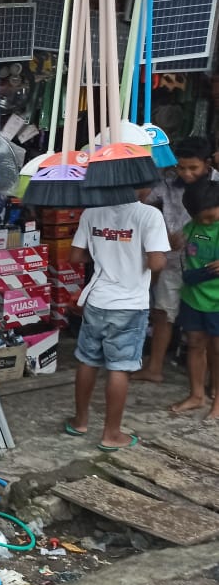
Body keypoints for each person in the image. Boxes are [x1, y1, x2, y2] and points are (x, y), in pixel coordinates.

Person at [65, 193, 169, 450]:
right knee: (119, 368)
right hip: (129, 304)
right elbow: (157, 263)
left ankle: (80, 421)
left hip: (97, 299)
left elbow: (76, 257)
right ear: (141, 186)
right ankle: (111, 434)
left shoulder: (91, 212)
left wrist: (104, 255)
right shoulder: (149, 215)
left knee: (88, 360)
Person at [134, 136, 219, 382]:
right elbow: (142, 202)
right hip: (173, 260)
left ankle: (211, 385)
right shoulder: (168, 182)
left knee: (209, 332)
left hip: (209, 268)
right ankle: (155, 369)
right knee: (162, 313)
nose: (186, 173)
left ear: (207, 163)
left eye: (193, 168)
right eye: (181, 167)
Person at [170, 181, 219, 418]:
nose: (206, 223)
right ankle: (196, 395)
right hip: (193, 296)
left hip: (217, 302)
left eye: (211, 217)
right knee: (195, 344)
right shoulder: (192, 226)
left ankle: (217, 399)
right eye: (201, 219)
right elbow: (178, 243)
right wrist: (173, 241)